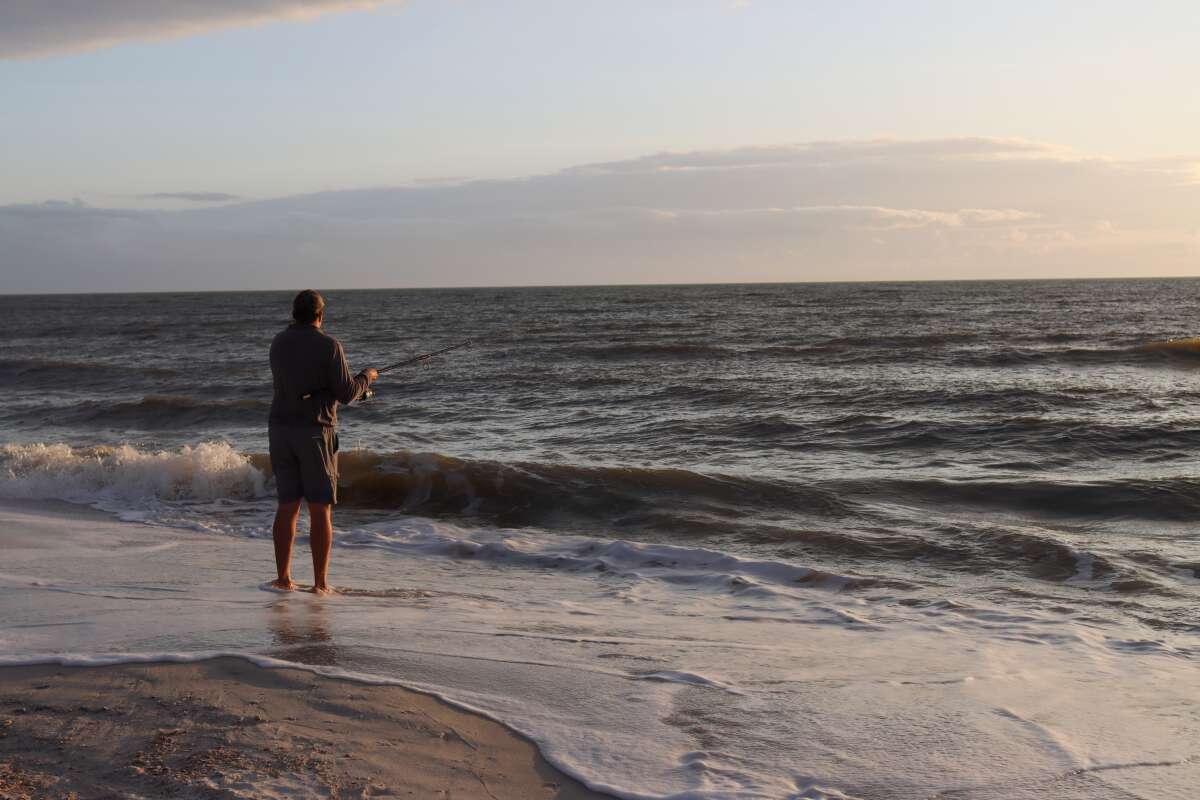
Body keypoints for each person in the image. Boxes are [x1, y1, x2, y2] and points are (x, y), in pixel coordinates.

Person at [267, 289, 377, 594]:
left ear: (294, 314)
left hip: (279, 430)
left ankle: (283, 578)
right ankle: (320, 584)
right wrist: (367, 377)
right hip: (315, 431)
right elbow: (346, 393)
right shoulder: (330, 346)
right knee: (320, 508)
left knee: (287, 506)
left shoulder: (278, 343)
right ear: (320, 315)